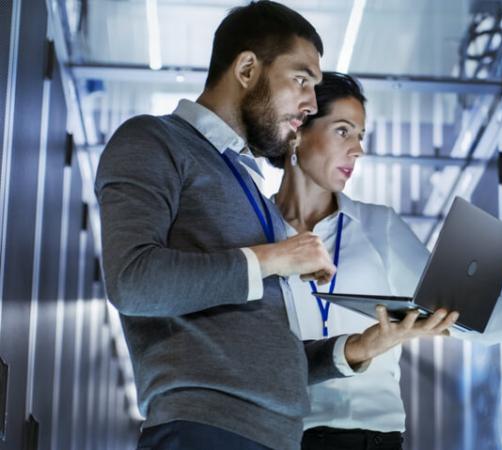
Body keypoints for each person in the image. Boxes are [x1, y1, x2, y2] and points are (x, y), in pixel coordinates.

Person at [95, 3, 455, 450]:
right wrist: (275, 257)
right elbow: (133, 282)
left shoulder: (246, 183)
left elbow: (266, 356)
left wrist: (358, 348)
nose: (308, 104)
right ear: (247, 68)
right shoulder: (153, 140)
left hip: (275, 437)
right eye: (301, 80)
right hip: (204, 430)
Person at [270, 72, 502, 450]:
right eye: (343, 131)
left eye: (360, 136)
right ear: (299, 129)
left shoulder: (378, 226)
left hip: (374, 440)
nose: (357, 149)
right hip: (280, 439)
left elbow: (480, 324)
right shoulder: (256, 237)